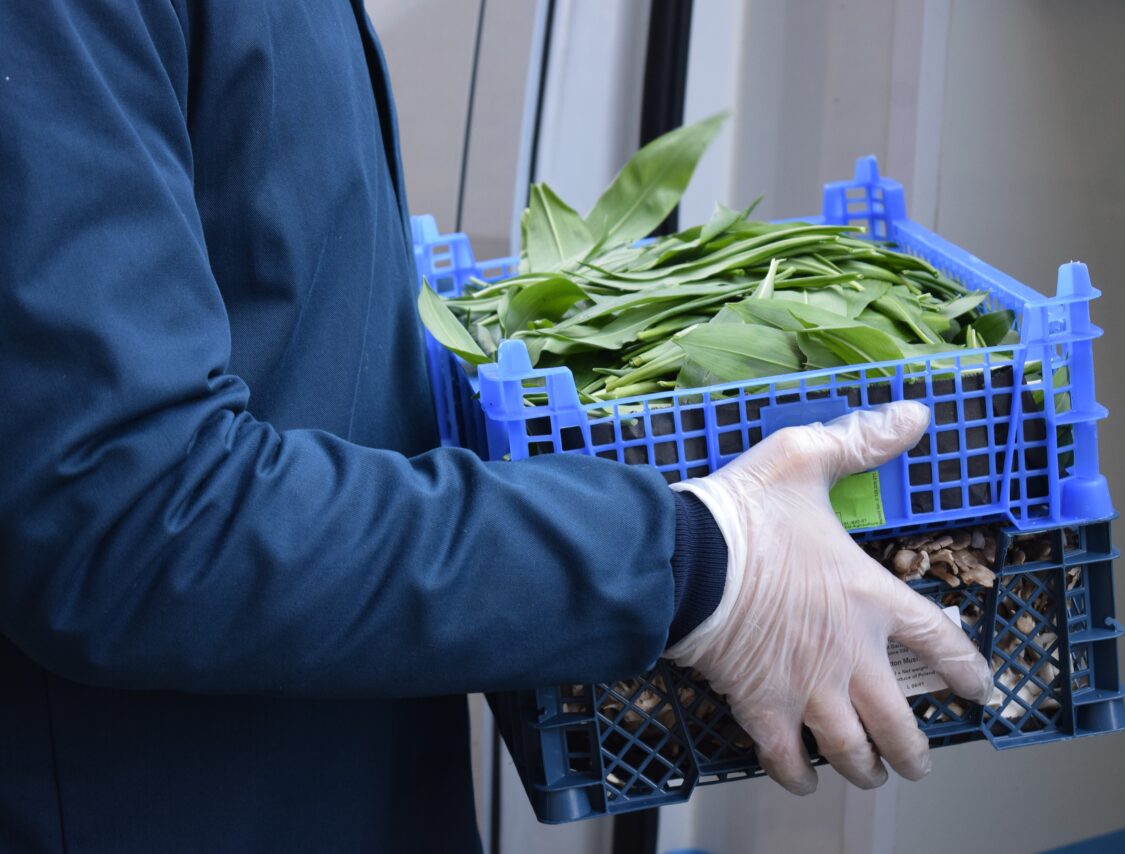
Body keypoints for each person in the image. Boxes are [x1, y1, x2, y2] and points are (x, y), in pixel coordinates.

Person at [0, 3, 992, 851]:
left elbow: (276, 314)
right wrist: (687, 558)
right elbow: (122, 512)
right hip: (184, 806)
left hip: (348, 766)